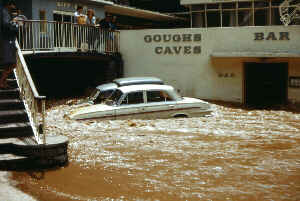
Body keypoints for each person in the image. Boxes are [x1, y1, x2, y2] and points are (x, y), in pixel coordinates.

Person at [0, 0, 19, 89]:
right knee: (12, 63)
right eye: (13, 5)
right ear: (9, 5)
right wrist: (15, 23)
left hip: (7, 40)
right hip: (7, 40)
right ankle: (1, 81)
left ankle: (3, 82)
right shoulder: (5, 12)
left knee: (9, 64)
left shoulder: (6, 12)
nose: (14, 7)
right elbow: (6, 25)